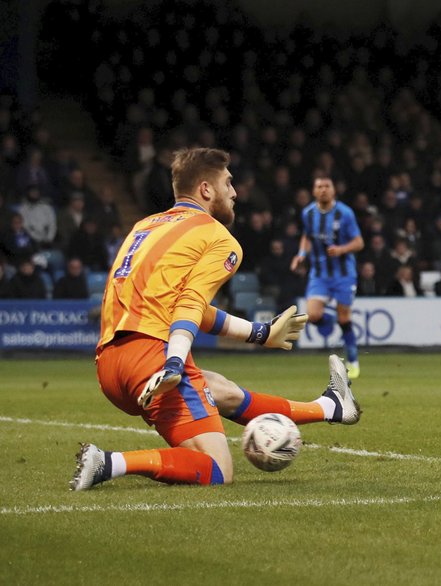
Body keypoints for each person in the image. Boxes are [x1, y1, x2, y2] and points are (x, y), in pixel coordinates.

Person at [71, 148, 360, 491]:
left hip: (110, 364)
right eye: (228, 183)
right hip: (155, 360)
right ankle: (108, 462)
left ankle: (330, 406)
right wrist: (175, 362)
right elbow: (190, 305)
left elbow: (174, 303)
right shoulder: (219, 238)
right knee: (217, 469)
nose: (235, 193)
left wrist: (259, 332)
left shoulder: (145, 226)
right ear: (206, 190)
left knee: (219, 389)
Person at [290, 175, 365, 378]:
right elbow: (307, 236)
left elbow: (359, 242)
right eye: (319, 186)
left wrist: (342, 249)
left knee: (345, 318)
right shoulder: (308, 213)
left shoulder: (345, 213)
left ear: (333, 190)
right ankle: (331, 321)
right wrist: (301, 255)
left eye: (327, 186)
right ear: (314, 191)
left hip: (343, 274)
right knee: (312, 315)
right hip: (319, 274)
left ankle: (353, 360)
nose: (323, 189)